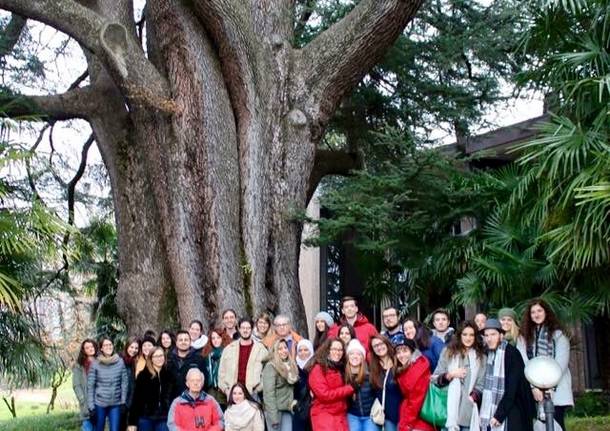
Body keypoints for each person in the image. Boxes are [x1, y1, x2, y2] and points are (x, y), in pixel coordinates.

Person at [517, 299, 573, 431]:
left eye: (539, 311)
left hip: (556, 389)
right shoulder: (524, 337)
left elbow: (561, 364)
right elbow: (524, 361)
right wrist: (533, 387)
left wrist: (548, 387)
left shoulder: (559, 335)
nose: (536, 314)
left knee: (556, 425)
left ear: (546, 312)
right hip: (533, 390)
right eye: (533, 312)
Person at [480, 319, 535, 431]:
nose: (489, 339)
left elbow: (512, 389)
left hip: (515, 407)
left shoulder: (511, 353)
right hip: (496, 407)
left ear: (501, 335)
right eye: (486, 335)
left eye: (493, 334)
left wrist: (499, 414)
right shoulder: (487, 354)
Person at [431, 321, 486, 431]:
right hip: (448, 410)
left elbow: (482, 384)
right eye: (465, 334)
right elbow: (435, 379)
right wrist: (451, 374)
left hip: (468, 412)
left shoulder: (481, 357)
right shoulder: (448, 352)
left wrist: (472, 398)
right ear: (459, 335)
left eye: (471, 335)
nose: (468, 338)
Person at [308, 338, 354, 431]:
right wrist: (349, 389)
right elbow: (324, 395)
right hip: (324, 414)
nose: (337, 352)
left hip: (340, 415)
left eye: (340, 350)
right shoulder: (318, 368)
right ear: (327, 350)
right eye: (334, 349)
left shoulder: (341, 367)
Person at [88, 336, 129, 431]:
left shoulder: (120, 361)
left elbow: (124, 382)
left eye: (110, 344)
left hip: (115, 404)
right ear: (101, 348)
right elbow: (91, 386)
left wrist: (123, 401)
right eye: (105, 345)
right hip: (99, 404)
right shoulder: (95, 363)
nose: (108, 347)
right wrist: (91, 407)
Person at [218, 318, 268, 397]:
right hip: (233, 393)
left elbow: (266, 373)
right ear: (239, 329)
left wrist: (257, 389)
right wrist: (227, 391)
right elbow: (221, 373)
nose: (245, 330)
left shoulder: (261, 350)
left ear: (251, 329)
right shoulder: (229, 349)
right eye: (243, 328)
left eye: (248, 328)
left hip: (252, 393)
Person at [128, 346, 173, 431]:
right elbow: (136, 399)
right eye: (156, 356)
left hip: (163, 417)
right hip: (146, 417)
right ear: (151, 359)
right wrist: (132, 422)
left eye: (161, 356)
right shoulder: (143, 376)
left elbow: (173, 397)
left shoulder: (169, 375)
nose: (159, 358)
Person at [394, 337, 434, 431]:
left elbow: (415, 401)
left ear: (412, 352)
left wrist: (406, 426)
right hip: (414, 418)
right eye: (398, 352)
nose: (401, 355)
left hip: (419, 422)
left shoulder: (418, 369)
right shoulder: (407, 368)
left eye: (405, 351)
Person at [263, 339, 299, 431]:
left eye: (285, 348)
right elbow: (268, 394)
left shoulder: (291, 365)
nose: (284, 351)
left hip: (287, 409)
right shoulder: (271, 367)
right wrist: (274, 418)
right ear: (275, 351)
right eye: (280, 349)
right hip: (275, 411)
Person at [344, 339, 379, 431]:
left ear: (362, 358)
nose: (355, 356)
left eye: (358, 354)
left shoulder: (370, 375)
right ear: (348, 357)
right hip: (353, 416)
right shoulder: (344, 376)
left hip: (370, 416)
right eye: (352, 354)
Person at [368, 335, 401, 431]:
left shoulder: (398, 362)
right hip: (385, 417)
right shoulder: (374, 367)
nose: (379, 347)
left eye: (381, 343)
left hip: (401, 414)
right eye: (375, 346)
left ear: (387, 343)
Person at [166, 330, 207, 399]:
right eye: (180, 340)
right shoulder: (169, 359)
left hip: (193, 400)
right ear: (176, 343)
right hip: (173, 400)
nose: (183, 342)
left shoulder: (198, 359)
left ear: (190, 342)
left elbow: (204, 381)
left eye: (186, 340)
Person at [202, 327, 232, 408]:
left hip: (224, 390)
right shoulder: (207, 354)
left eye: (218, 337)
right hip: (210, 390)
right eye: (213, 338)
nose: (215, 340)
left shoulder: (228, 353)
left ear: (223, 338)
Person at [73, 338, 98, 431]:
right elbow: (76, 385)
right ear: (83, 350)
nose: (90, 349)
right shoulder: (79, 366)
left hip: (100, 402)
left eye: (91, 346)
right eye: (87, 348)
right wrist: (82, 400)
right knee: (88, 427)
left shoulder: (101, 362)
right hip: (86, 404)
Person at [293, 339, 314, 431]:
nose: (303, 353)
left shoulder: (315, 366)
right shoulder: (294, 367)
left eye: (306, 350)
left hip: (313, 407)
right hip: (299, 409)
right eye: (300, 350)